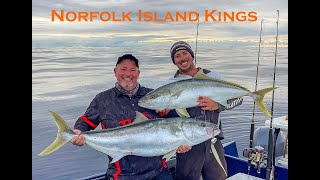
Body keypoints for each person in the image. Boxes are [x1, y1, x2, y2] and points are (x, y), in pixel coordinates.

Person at [70, 54, 175, 180]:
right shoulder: (103, 100)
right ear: (115, 71)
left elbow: (175, 122)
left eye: (132, 70)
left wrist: (168, 113)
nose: (128, 74)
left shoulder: (153, 96)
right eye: (123, 69)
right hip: (121, 175)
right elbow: (85, 122)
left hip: (158, 172)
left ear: (138, 73)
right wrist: (77, 132)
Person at [169, 41, 243, 180]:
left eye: (185, 53)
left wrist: (218, 105)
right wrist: (174, 143)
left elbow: (239, 99)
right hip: (187, 145)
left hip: (213, 141)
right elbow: (169, 118)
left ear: (192, 55)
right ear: (174, 61)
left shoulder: (213, 76)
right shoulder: (170, 84)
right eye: (177, 55)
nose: (182, 58)